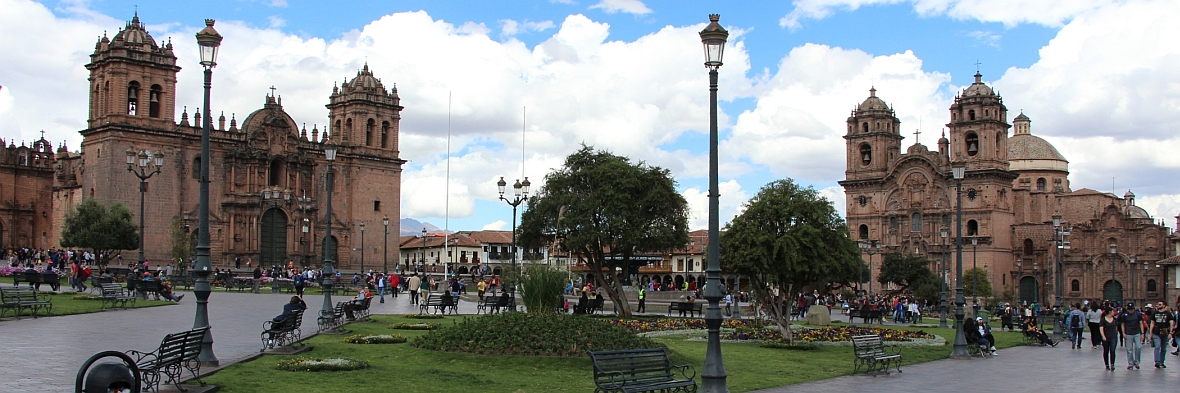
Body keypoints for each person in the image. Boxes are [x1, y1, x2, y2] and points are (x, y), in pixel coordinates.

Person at [1120, 302, 1147, 370]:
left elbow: (1141, 323)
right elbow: (1122, 324)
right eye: (1129, 309)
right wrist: (1123, 332)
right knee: (1129, 350)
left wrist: (1142, 333)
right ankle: (1130, 363)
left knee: (1138, 347)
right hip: (1128, 333)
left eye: (1131, 309)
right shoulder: (1125, 315)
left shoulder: (1138, 314)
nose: (1130, 311)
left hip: (1137, 333)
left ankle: (1137, 362)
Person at [1149, 301, 1174, 368]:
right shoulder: (1155, 313)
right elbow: (1152, 323)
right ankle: (1157, 362)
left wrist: (1171, 333)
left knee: (1163, 348)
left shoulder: (1168, 314)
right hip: (1156, 332)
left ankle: (1162, 362)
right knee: (1157, 346)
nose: (1158, 305)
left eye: (1160, 304)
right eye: (1158, 304)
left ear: (1164, 305)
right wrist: (1151, 333)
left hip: (1165, 332)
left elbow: (1171, 323)